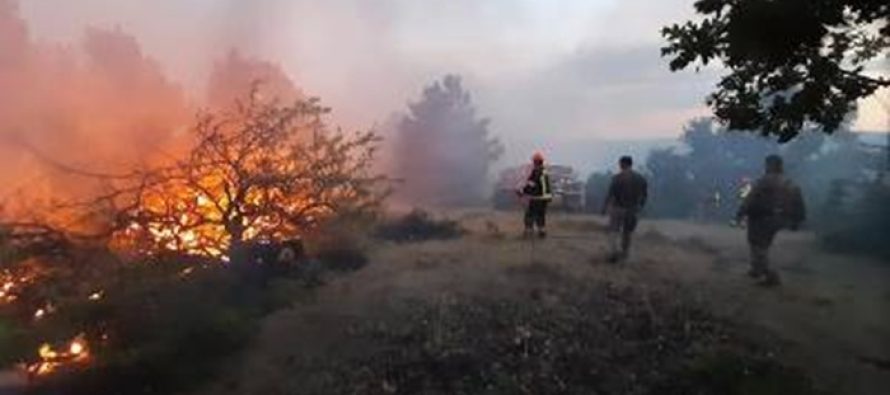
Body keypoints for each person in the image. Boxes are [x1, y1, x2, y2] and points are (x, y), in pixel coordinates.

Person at [735, 155, 806, 287]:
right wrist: (797, 220)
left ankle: (770, 275)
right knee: (763, 245)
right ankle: (756, 270)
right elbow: (798, 201)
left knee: (757, 246)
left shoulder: (764, 181)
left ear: (771, 165)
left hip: (762, 218)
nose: (765, 167)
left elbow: (751, 198)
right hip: (780, 218)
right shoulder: (789, 182)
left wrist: (741, 213)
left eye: (767, 164)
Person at [602, 156, 648, 262]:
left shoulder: (617, 178)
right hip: (632, 209)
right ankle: (625, 254)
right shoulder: (640, 178)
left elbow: (610, 194)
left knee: (613, 231)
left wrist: (604, 208)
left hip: (618, 208)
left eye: (620, 164)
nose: (619, 166)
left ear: (623, 164)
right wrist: (640, 207)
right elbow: (644, 195)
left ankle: (613, 253)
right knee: (627, 233)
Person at [518, 152, 552, 238]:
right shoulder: (544, 172)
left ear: (535, 162)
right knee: (541, 215)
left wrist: (522, 192)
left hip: (537, 198)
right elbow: (545, 186)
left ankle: (528, 232)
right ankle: (542, 232)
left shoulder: (536, 172)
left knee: (529, 214)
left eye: (533, 161)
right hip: (545, 199)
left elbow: (531, 185)